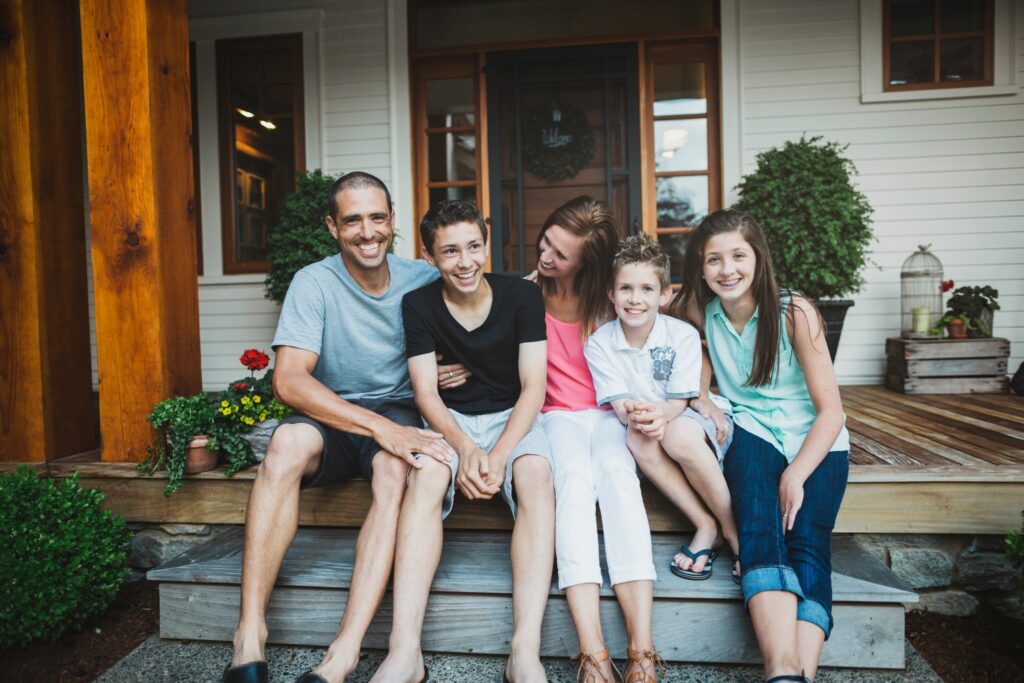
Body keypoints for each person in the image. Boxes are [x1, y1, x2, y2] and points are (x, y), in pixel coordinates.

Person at [224, 172, 464, 683]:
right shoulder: (314, 282)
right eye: (352, 220)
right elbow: (288, 382)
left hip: (399, 412)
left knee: (395, 474)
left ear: (393, 221)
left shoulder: (422, 278)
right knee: (285, 442)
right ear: (333, 226)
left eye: (377, 217)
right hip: (334, 413)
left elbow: (486, 308)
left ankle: (344, 653)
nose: (367, 231)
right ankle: (249, 633)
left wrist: (460, 365)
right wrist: (377, 427)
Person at [376, 199, 554, 683]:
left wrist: (496, 455)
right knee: (428, 473)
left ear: (486, 246)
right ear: (429, 258)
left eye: (474, 247)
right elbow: (426, 393)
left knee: (536, 474)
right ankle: (404, 651)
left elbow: (534, 388)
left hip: (512, 419)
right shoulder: (419, 305)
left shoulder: (521, 297)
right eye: (450, 251)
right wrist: (465, 449)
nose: (465, 261)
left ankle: (525, 651)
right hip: (450, 419)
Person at [675, 209, 849, 683]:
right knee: (758, 523)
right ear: (700, 266)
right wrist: (702, 392)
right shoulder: (696, 307)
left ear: (758, 257)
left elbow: (831, 411)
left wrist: (796, 474)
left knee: (809, 543)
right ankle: (780, 668)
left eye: (737, 256)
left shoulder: (796, 311)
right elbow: (681, 340)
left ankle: (799, 675)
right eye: (713, 260)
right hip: (752, 430)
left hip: (816, 442)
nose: (726, 269)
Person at [535, 197, 661, 683]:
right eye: (546, 241)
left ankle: (642, 651)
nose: (546, 257)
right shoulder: (525, 295)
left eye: (561, 254)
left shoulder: (611, 302)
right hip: (556, 415)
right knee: (570, 478)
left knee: (616, 476)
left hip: (611, 412)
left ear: (586, 263)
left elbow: (672, 329)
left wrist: (698, 395)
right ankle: (593, 654)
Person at [585, 234, 738, 589]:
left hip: (684, 417)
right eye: (625, 288)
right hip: (646, 420)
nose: (635, 299)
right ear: (611, 294)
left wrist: (661, 416)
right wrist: (638, 417)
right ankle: (705, 524)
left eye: (646, 289)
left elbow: (680, 400)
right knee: (637, 439)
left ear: (664, 295)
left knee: (678, 434)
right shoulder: (600, 343)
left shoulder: (681, 335)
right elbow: (620, 405)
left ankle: (736, 535)